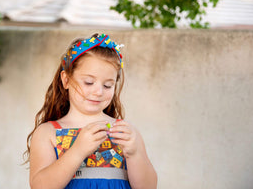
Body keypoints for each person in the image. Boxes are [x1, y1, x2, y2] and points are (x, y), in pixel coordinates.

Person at [25, 33, 157, 189]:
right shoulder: (48, 132)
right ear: (66, 80)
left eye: (107, 85)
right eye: (88, 82)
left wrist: (134, 154)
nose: (98, 91)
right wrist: (78, 150)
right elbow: (40, 186)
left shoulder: (124, 132)